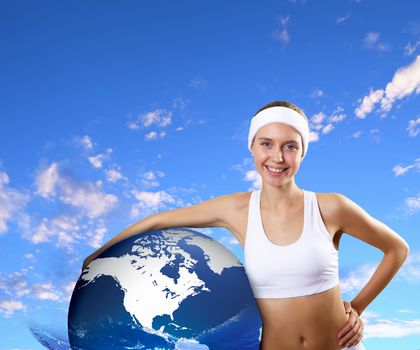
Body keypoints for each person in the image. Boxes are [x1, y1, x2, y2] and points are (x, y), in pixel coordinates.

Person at [83, 101, 409, 350]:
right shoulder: (238, 209)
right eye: (266, 143)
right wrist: (99, 254)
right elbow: (160, 220)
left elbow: (397, 249)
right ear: (252, 147)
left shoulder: (331, 207)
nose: (277, 157)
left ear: (303, 152)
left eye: (290, 146)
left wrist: (358, 307)